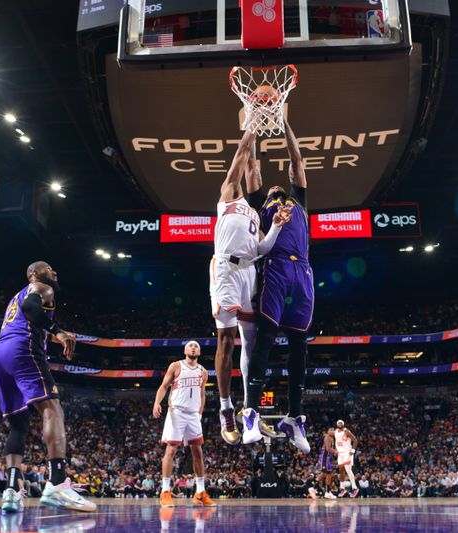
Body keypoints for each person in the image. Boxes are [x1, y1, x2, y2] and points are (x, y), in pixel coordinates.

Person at [0, 261, 95, 513]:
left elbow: (23, 308)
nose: (54, 271)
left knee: (19, 426)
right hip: (21, 350)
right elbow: (31, 307)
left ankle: (11, 491)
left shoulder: (15, 295)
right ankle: (57, 484)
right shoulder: (42, 287)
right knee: (53, 410)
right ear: (35, 274)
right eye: (48, 267)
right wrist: (58, 332)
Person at [210, 128, 291, 445]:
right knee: (226, 340)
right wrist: (251, 125)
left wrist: (277, 227)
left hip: (248, 273)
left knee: (251, 340)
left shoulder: (257, 214)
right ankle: (225, 409)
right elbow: (243, 155)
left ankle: (248, 409)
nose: (246, 173)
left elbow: (263, 249)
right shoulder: (228, 194)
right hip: (226, 271)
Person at [243, 120, 313, 453]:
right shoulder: (260, 207)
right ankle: (252, 411)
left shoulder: (298, 200)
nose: (272, 187)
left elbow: (296, 158)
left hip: (304, 271)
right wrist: (253, 128)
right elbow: (251, 166)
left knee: (300, 343)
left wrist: (285, 121)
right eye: (268, 189)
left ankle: (294, 417)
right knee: (266, 338)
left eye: (277, 186)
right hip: (277, 266)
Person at [153, 341, 216, 508]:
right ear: (185, 350)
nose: (193, 347)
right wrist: (157, 403)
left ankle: (200, 493)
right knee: (171, 449)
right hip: (177, 412)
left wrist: (199, 412)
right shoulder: (176, 366)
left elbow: (202, 394)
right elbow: (164, 386)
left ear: (200, 352)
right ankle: (165, 492)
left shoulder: (203, 371)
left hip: (193, 414)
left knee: (198, 451)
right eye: (190, 346)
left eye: (196, 346)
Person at [309, 427, 338, 499]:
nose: (332, 431)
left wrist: (334, 452)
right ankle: (314, 489)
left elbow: (329, 449)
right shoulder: (328, 437)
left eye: (333, 430)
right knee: (325, 473)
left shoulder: (331, 438)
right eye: (331, 430)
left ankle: (327, 492)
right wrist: (335, 451)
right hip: (325, 457)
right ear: (328, 431)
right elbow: (328, 449)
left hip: (327, 458)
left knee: (328, 474)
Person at [334, 420, 360, 498]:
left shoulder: (346, 431)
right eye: (338, 423)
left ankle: (355, 488)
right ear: (336, 424)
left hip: (347, 453)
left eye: (341, 423)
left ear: (343, 424)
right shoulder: (335, 432)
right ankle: (342, 488)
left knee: (348, 470)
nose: (340, 424)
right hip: (340, 453)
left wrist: (352, 451)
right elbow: (337, 442)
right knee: (341, 470)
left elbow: (355, 440)